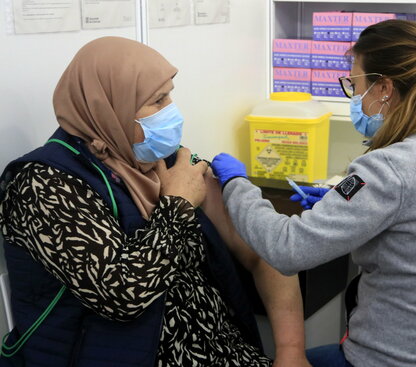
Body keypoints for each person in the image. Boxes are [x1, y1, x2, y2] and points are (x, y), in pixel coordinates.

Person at [0, 36, 311, 366]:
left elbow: (265, 247)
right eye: (158, 101)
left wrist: (291, 350)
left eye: (169, 95)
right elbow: (120, 295)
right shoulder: (42, 184)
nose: (172, 112)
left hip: (225, 353)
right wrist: (177, 204)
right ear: (110, 107)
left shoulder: (162, 160)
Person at [210, 20, 416, 367]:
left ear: (384, 89)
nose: (353, 96)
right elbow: (409, 211)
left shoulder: (388, 168)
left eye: (355, 84)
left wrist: (235, 185)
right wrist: (339, 201)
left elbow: (287, 250)